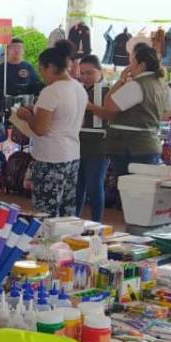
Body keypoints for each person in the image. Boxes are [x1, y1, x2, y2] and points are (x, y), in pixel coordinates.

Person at [91, 44, 171, 181]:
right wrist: (154, 118)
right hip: (149, 143)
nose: (129, 66)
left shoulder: (137, 85)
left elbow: (109, 105)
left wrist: (121, 80)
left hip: (129, 147)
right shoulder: (161, 84)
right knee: (143, 191)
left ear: (142, 65)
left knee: (129, 192)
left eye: (132, 62)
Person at [18, 42, 87, 217]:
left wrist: (26, 116)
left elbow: (41, 129)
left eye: (41, 70)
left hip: (51, 157)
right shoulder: (79, 88)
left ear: (49, 67)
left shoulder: (51, 91)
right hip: (72, 154)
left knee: (45, 213)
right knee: (67, 211)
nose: (41, 76)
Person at [76, 55, 110, 221]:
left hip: (99, 145)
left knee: (94, 187)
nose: (85, 77)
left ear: (100, 71)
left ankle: (98, 224)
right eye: (82, 73)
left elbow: (112, 115)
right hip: (76, 143)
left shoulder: (109, 90)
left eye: (90, 73)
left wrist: (89, 107)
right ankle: (73, 221)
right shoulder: (77, 88)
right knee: (76, 187)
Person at [0, 38, 42, 113]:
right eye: (13, 47)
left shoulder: (29, 68)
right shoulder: (0, 69)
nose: (17, 50)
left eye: (19, 48)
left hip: (25, 110)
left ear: (23, 51)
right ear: (7, 50)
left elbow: (38, 88)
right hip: (4, 109)